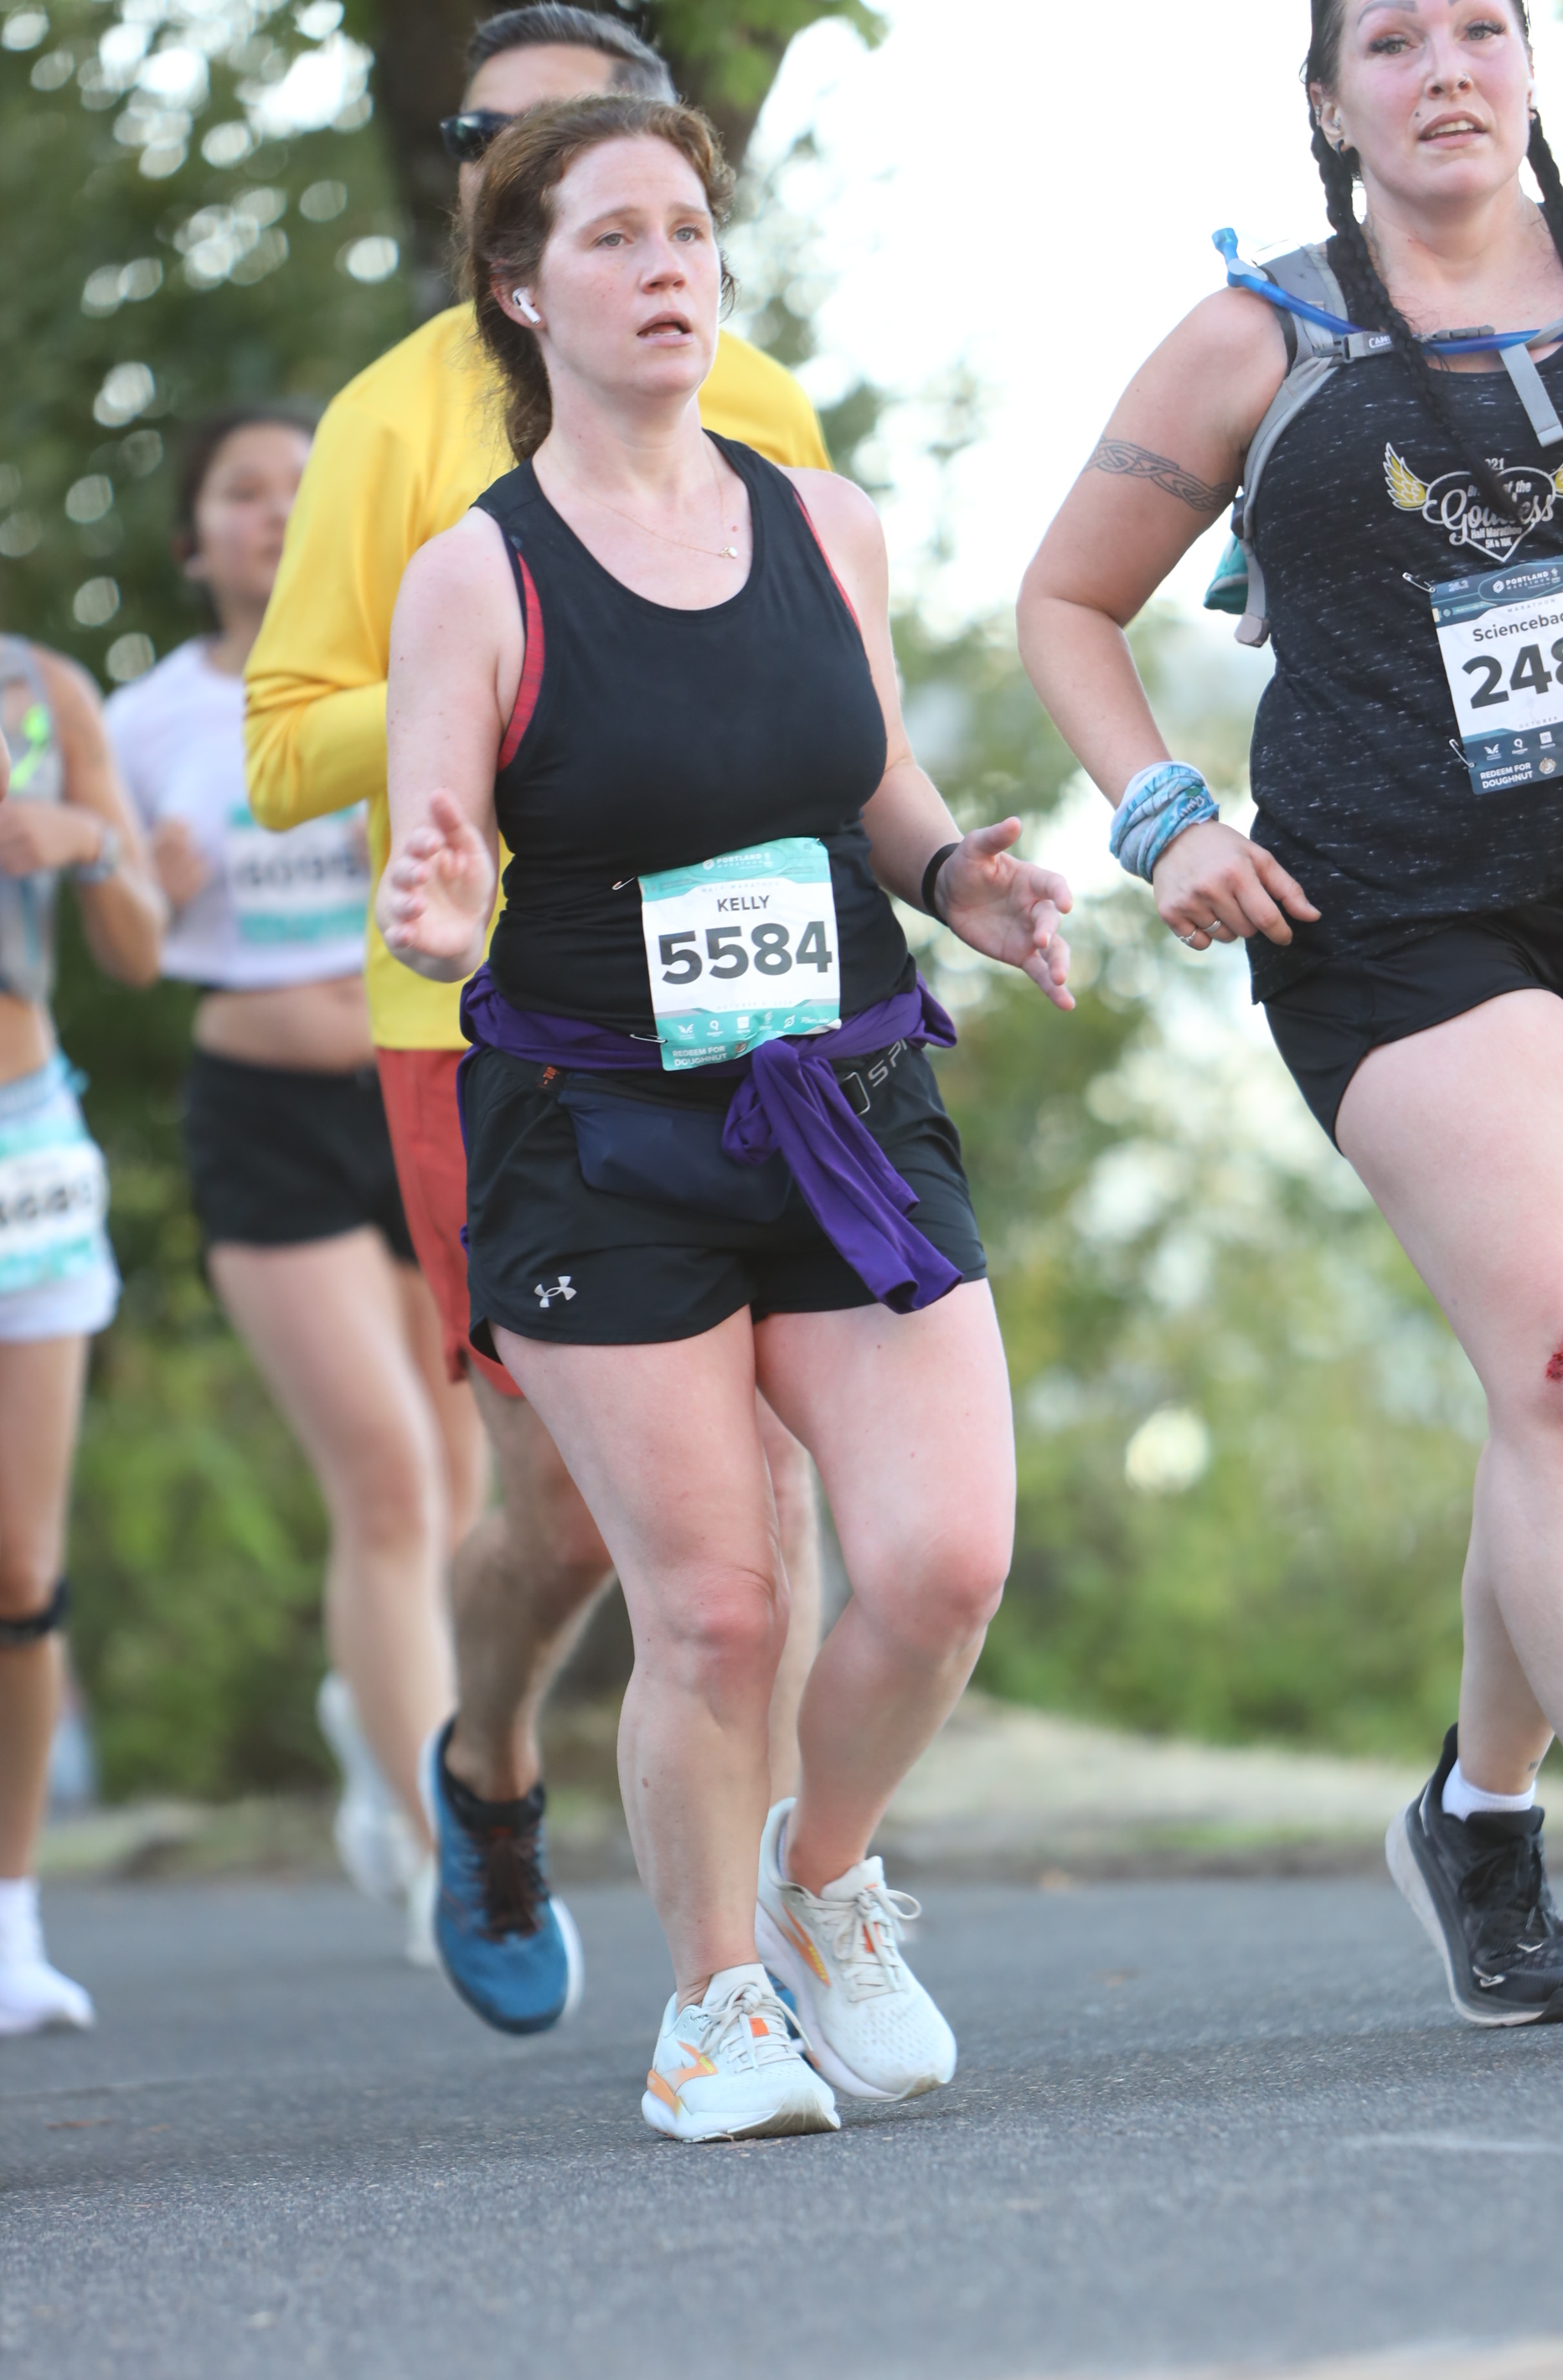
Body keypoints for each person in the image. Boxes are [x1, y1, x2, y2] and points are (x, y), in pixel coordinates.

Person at [1018, 0, 1563, 2040]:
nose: (1443, 68)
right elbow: (1064, 602)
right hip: (1387, 909)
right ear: (1330, 103)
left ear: (1529, 66)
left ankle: (1475, 1812)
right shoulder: (1258, 334)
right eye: (1389, 42)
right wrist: (1162, 817)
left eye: (1478, 24)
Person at [378, 92, 1072, 2135]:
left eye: (686, 229)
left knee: (941, 1565)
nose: (665, 266)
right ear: (523, 292)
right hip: (604, 1137)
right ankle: (711, 2012)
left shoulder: (822, 524)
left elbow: (869, 781)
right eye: (612, 237)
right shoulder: (475, 576)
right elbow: (439, 859)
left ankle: (820, 1875)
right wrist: (433, 907)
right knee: (712, 1605)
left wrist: (958, 881)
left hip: (843, 1105)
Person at [246, 5, 833, 2035]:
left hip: (764, 1003)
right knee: (573, 1516)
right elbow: (281, 743)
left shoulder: (754, 397)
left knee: (777, 1484)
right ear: (483, 212)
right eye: (509, 142)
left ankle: (772, 1932)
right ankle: (489, 1764)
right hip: (486, 1020)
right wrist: (501, 683)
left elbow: (828, 700)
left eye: (614, 134)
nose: (569, 168)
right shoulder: (390, 422)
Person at [107, 410, 478, 1966]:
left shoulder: (419, 663)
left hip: (426, 1083)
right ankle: (446, 1853)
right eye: (239, 492)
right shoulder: (141, 722)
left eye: (298, 485)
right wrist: (144, 894)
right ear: (192, 540)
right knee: (387, 1482)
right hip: (263, 1111)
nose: (274, 511)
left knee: (464, 1486)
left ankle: (371, 1703)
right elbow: (119, 952)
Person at [0, 624, 164, 2032]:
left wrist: (87, 842)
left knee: (18, 1559)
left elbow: (138, 948)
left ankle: (10, 1921)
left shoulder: (42, 693)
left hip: (27, 1144)